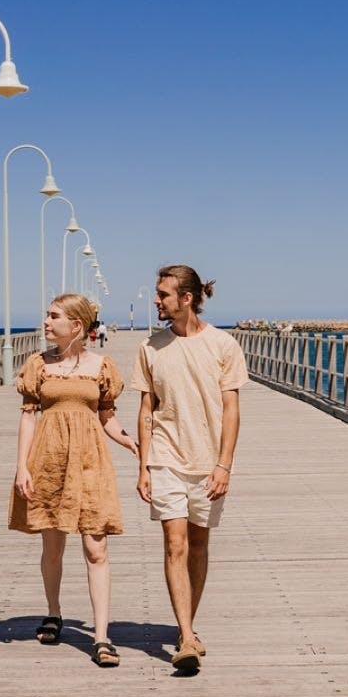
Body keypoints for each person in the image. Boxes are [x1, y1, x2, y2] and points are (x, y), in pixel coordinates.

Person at [9, 294, 138, 666]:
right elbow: (28, 416)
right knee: (52, 547)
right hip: (48, 460)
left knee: (96, 548)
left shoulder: (102, 366)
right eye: (47, 315)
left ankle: (101, 637)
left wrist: (129, 441)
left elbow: (107, 416)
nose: (46, 322)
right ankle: (53, 611)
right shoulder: (38, 365)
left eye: (53, 317)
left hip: (90, 462)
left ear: (76, 325)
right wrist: (22, 466)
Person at [135, 264, 246, 675]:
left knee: (198, 545)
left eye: (163, 294)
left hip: (208, 462)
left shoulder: (222, 345)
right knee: (174, 543)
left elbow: (232, 409)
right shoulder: (150, 348)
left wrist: (224, 465)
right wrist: (145, 465)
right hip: (166, 456)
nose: (156, 300)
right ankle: (184, 636)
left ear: (186, 298)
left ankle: (189, 625)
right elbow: (147, 409)